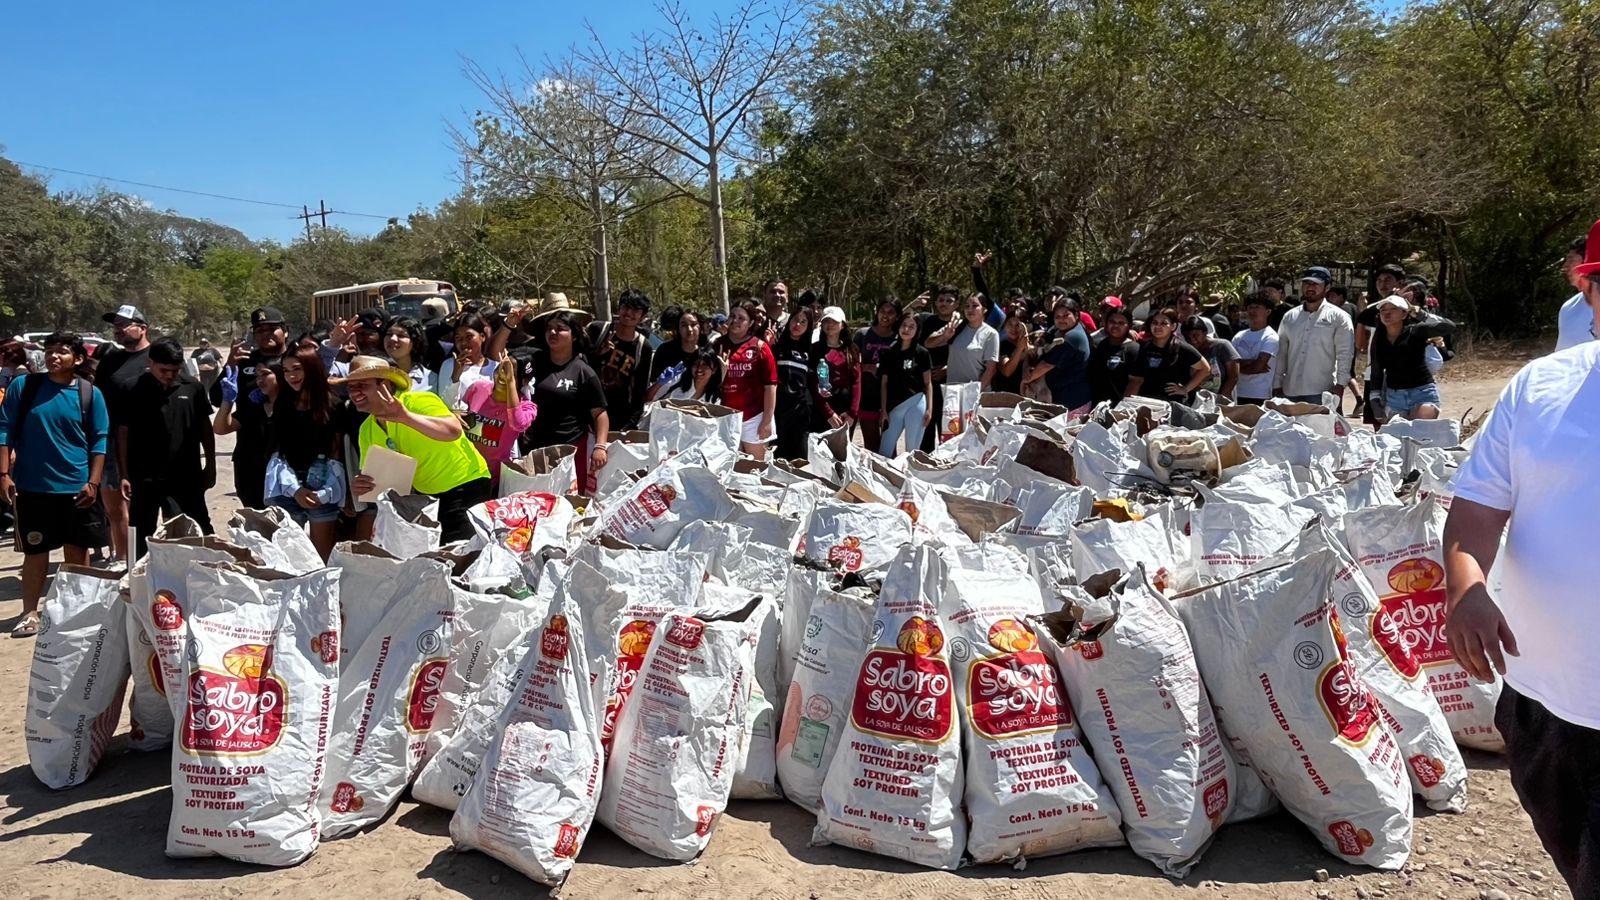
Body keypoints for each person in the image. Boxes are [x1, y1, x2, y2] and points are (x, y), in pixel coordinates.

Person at [1442, 218, 1600, 899]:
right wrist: (1466, 588)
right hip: (1544, 705)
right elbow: (1476, 510)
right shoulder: (1540, 389)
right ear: (1588, 293)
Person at [0, 333, 108, 637]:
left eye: (61, 351)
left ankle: (78, 611)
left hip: (77, 488)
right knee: (35, 553)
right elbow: (4, 429)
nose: (53, 357)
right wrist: (4, 474)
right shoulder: (25, 386)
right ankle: (30, 613)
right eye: (49, 351)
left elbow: (99, 440)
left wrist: (94, 482)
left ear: (78, 359)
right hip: (33, 488)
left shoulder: (90, 393)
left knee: (78, 551)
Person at [338, 356, 491, 544]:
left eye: (361, 385)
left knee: (462, 556)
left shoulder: (418, 401)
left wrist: (405, 417)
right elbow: (379, 482)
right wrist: (362, 484)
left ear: (384, 384)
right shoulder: (366, 429)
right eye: (350, 387)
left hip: (466, 484)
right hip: (426, 499)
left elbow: (453, 431)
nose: (354, 393)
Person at [120, 338, 217, 558]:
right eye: (164, 370)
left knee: (195, 529)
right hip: (144, 475)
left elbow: (205, 429)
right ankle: (139, 582)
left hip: (185, 475)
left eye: (175, 370)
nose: (169, 375)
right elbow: (122, 434)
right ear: (150, 362)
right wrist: (124, 473)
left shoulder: (193, 388)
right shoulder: (131, 388)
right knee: (141, 533)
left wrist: (210, 465)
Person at [263, 342, 343, 560]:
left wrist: (327, 490)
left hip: (323, 485)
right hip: (287, 486)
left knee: (321, 557)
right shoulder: (284, 402)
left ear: (311, 368)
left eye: (297, 369)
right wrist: (294, 489)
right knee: (288, 557)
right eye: (286, 371)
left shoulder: (332, 403)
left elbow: (337, 450)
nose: (291, 376)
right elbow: (279, 449)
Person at [521, 309, 610, 492]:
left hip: (571, 452)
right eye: (549, 329)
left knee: (568, 502)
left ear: (574, 336)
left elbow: (599, 413)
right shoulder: (534, 362)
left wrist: (600, 447)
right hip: (536, 449)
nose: (552, 333)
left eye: (560, 329)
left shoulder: (584, 372)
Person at [94, 303, 151, 563]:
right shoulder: (110, 360)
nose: (118, 330)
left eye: (124, 325)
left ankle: (144, 559)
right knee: (114, 507)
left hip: (147, 442)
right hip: (111, 440)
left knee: (145, 507)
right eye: (115, 326)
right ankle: (122, 558)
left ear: (142, 328)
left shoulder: (156, 356)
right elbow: (97, 398)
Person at [226, 307, 289, 509]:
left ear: (285, 330)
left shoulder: (297, 361)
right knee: (255, 517)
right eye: (259, 330)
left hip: (288, 452)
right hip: (250, 454)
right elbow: (217, 398)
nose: (265, 334)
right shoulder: (244, 361)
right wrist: (230, 366)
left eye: (271, 329)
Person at [1365, 295, 1456, 421]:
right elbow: (1376, 369)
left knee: (1419, 432)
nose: (1387, 314)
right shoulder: (1379, 339)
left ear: (1404, 314)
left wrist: (1422, 315)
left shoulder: (1416, 331)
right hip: (1395, 398)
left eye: (1393, 310)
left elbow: (1449, 327)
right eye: (1383, 311)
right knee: (1397, 437)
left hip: (1422, 393)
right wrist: (1374, 399)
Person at [1273, 267, 1354, 404]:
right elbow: (1281, 353)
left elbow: (1345, 354)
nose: (1310, 288)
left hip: (1322, 392)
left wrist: (1340, 385)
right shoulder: (1290, 316)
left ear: (1327, 287)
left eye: (1316, 284)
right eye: (1307, 283)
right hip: (1289, 391)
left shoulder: (1339, 317)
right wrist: (1277, 383)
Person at [463, 351, 536, 489]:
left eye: (510, 372)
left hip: (492, 480)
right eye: (500, 368)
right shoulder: (479, 388)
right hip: (463, 471)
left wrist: (510, 383)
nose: (502, 375)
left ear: (524, 381)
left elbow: (517, 423)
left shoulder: (527, 407)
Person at [586, 289, 655, 432]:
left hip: (620, 418)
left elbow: (639, 389)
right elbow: (580, 366)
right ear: (619, 308)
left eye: (635, 310)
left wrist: (631, 424)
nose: (629, 313)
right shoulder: (598, 330)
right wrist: (599, 354)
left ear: (643, 317)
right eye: (626, 306)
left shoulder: (643, 347)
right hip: (589, 411)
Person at [720, 301, 779, 459]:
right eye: (732, 316)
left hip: (754, 418)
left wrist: (766, 421)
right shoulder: (718, 345)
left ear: (751, 322)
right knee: (729, 468)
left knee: (756, 469)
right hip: (725, 417)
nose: (736, 321)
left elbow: (771, 387)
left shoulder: (760, 348)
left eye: (741, 318)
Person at [1125, 308, 1210, 405]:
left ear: (1173, 326)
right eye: (1155, 323)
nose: (1158, 326)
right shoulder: (1144, 348)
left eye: (1163, 323)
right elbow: (1136, 380)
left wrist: (1185, 389)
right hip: (1146, 403)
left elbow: (1205, 369)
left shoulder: (1181, 348)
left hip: (1172, 405)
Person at [876, 315, 933, 458]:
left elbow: (928, 383)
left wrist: (929, 409)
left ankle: (909, 478)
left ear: (917, 330)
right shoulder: (889, 352)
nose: (906, 329)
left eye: (911, 326)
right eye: (904, 325)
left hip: (916, 402)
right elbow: (884, 383)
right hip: (894, 407)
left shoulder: (922, 353)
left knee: (911, 451)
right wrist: (883, 410)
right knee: (884, 450)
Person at [1023, 301, 1093, 414]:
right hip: (1058, 397)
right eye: (1057, 316)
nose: (1062, 319)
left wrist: (1027, 379)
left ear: (1076, 315)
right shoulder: (1057, 331)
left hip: (1073, 401)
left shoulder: (1073, 336)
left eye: (1066, 315)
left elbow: (1046, 365)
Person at [925, 293, 1000, 394]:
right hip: (952, 392)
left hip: (976, 394)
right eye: (967, 306)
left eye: (975, 306)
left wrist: (974, 393)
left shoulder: (991, 334)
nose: (970, 309)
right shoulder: (956, 326)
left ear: (984, 310)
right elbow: (928, 343)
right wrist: (944, 336)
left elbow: (991, 369)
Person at [916, 286, 960, 451]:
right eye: (941, 300)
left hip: (950, 384)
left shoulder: (961, 325)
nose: (944, 304)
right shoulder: (925, 321)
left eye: (949, 301)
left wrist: (947, 369)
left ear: (956, 304)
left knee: (949, 430)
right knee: (925, 428)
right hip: (925, 383)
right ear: (935, 302)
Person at [772, 306, 818, 461]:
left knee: (800, 456)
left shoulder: (810, 351)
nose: (797, 324)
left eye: (803, 322)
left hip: (801, 411)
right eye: (795, 319)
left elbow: (814, 381)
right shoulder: (776, 346)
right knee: (779, 456)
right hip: (779, 409)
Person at [855, 298, 901, 452]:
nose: (885, 316)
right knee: (871, 446)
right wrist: (867, 367)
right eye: (882, 311)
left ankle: (890, 476)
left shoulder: (899, 338)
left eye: (891, 312)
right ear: (877, 312)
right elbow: (850, 364)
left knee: (889, 448)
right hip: (866, 397)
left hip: (890, 399)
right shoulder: (862, 334)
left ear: (897, 315)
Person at [438, 313, 497, 411]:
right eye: (458, 338)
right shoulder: (449, 365)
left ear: (482, 337)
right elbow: (445, 404)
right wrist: (455, 375)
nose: (464, 343)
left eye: (469, 337)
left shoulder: (496, 367)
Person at [814, 306, 860, 432]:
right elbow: (813, 383)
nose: (830, 325)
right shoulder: (815, 349)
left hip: (846, 408)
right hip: (823, 407)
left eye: (834, 321)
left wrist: (852, 413)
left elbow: (856, 382)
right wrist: (828, 413)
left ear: (843, 325)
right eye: (826, 321)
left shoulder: (851, 349)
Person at [1231, 292, 1280, 404]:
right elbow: (1230, 364)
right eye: (1250, 307)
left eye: (1257, 307)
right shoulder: (1238, 336)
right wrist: (1250, 362)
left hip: (1260, 395)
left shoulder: (1271, 337)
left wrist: (1240, 367)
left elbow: (1258, 367)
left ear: (1268, 312)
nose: (1253, 311)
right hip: (1237, 393)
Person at [646, 308, 705, 401]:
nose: (689, 329)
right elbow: (650, 391)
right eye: (684, 325)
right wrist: (660, 382)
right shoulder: (664, 351)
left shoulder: (705, 354)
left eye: (693, 324)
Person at [1085, 306, 1140, 405]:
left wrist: (1122, 407)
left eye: (1121, 323)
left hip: (1120, 408)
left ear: (1128, 326)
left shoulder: (1134, 349)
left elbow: (1136, 382)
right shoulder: (1102, 345)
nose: (1115, 326)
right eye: (1112, 322)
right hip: (1097, 405)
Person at [1182, 317, 1241, 401]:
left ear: (1205, 333)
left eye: (1196, 335)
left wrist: (1220, 399)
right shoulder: (1187, 350)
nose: (1192, 340)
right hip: (1197, 401)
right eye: (1187, 337)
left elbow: (1233, 376)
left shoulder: (1222, 346)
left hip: (1222, 400)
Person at [1555, 235, 1592, 352]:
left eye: (1571, 260)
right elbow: (1561, 357)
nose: (1565, 266)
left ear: (1587, 260)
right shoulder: (1568, 308)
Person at [383, 316, 437, 393]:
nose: (392, 338)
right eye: (389, 334)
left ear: (415, 342)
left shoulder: (431, 378)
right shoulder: (374, 374)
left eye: (401, 335)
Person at [660, 348, 724, 402]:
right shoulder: (676, 385)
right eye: (695, 364)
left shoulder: (714, 398)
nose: (699, 369)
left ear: (714, 370)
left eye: (705, 365)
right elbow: (654, 402)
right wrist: (659, 383)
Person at [994, 312, 1031, 396]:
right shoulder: (1001, 345)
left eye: (1017, 325)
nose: (1013, 329)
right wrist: (1020, 348)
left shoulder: (1031, 345)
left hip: (1024, 395)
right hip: (1005, 396)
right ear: (1005, 326)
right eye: (1010, 324)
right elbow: (1007, 371)